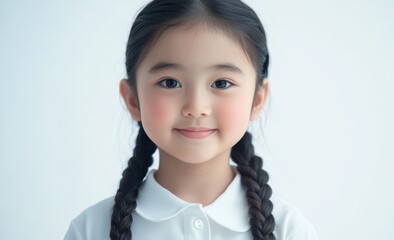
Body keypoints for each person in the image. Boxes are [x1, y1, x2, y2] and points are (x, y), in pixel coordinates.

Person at [64, 0, 318, 239]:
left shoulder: (289, 229)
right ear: (132, 100)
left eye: (221, 83)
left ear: (257, 99)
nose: (196, 107)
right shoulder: (91, 229)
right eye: (170, 82)